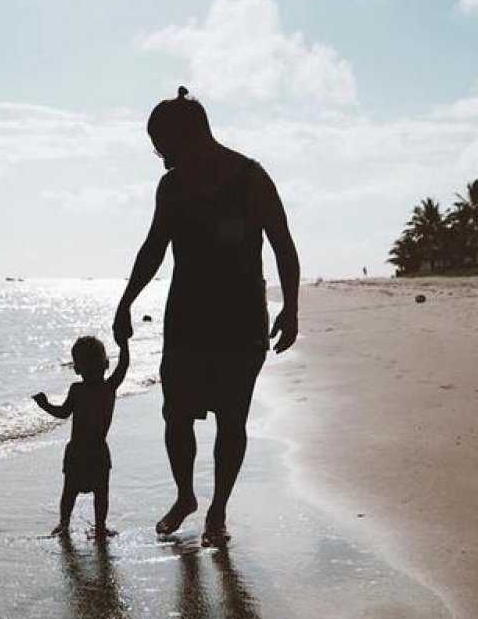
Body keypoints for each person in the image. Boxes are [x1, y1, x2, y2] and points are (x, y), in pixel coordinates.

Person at [114, 87, 300, 546]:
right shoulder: (172, 187)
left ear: (190, 137)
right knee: (176, 415)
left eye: (164, 148)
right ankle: (185, 496)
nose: (162, 159)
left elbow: (283, 243)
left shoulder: (251, 178)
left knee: (231, 420)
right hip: (186, 319)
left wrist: (291, 307)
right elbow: (153, 248)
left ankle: (218, 512)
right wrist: (126, 301)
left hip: (241, 320)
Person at [32, 336, 130, 539]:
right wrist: (124, 344)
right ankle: (95, 526)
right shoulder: (105, 388)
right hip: (93, 451)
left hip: (81, 451)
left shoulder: (85, 389)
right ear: (106, 364)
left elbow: (62, 413)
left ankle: (67, 524)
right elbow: (123, 365)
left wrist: (45, 405)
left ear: (77, 368)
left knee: (73, 491)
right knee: (93, 492)